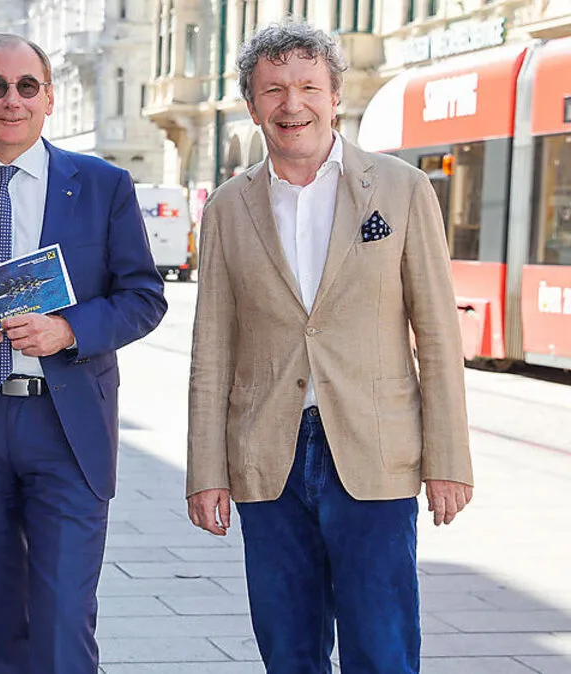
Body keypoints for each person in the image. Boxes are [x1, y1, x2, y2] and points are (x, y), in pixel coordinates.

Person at [186, 20, 474, 673]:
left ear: (336, 95)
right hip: (268, 460)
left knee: (382, 649)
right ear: (253, 104)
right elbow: (212, 350)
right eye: (274, 90)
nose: (293, 104)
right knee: (288, 652)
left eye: (308, 86)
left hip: (375, 455)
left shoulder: (402, 190)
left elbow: (436, 331)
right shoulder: (230, 207)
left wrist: (449, 458)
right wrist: (206, 471)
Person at [0, 34, 167, 674]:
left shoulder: (101, 184)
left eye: (26, 87)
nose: (10, 101)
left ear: (48, 99)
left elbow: (144, 297)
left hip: (65, 424)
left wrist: (68, 331)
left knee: (64, 619)